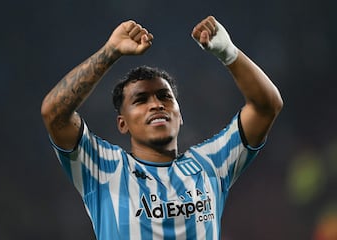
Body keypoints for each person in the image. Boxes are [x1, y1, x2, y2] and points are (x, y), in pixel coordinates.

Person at [41, 15, 283, 240]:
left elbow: (267, 107)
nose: (156, 105)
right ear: (122, 123)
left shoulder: (210, 164)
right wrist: (110, 52)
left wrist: (229, 53)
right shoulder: (104, 169)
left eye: (164, 96)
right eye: (140, 100)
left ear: (180, 115)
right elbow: (54, 114)